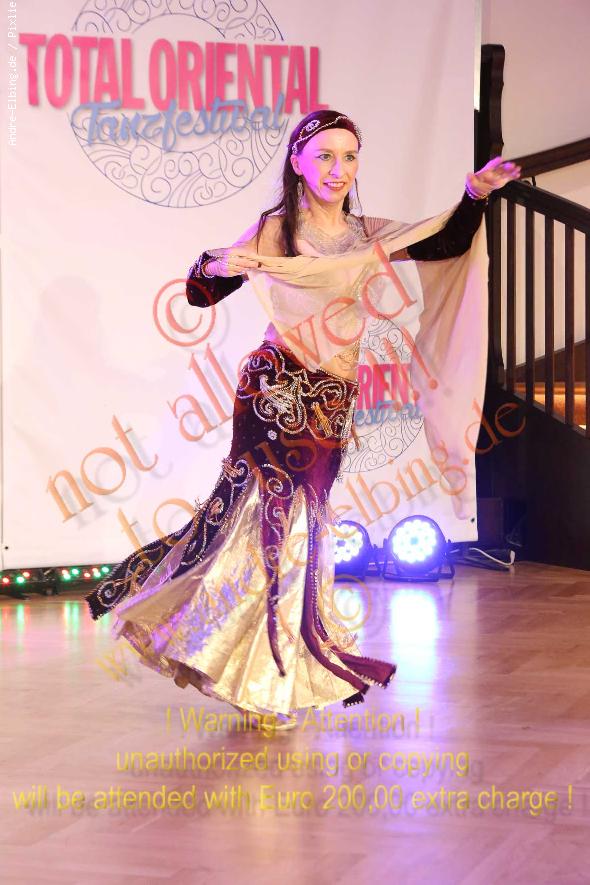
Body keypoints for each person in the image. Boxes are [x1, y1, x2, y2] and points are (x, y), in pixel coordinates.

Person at [85, 110, 520, 729]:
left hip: (332, 396)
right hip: (276, 388)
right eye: (324, 156)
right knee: (267, 523)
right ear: (297, 163)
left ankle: (255, 668)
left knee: (304, 528)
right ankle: (266, 679)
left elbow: (445, 243)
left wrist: (474, 195)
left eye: (349, 157)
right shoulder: (276, 231)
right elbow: (202, 292)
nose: (338, 170)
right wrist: (215, 266)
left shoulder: (368, 235)